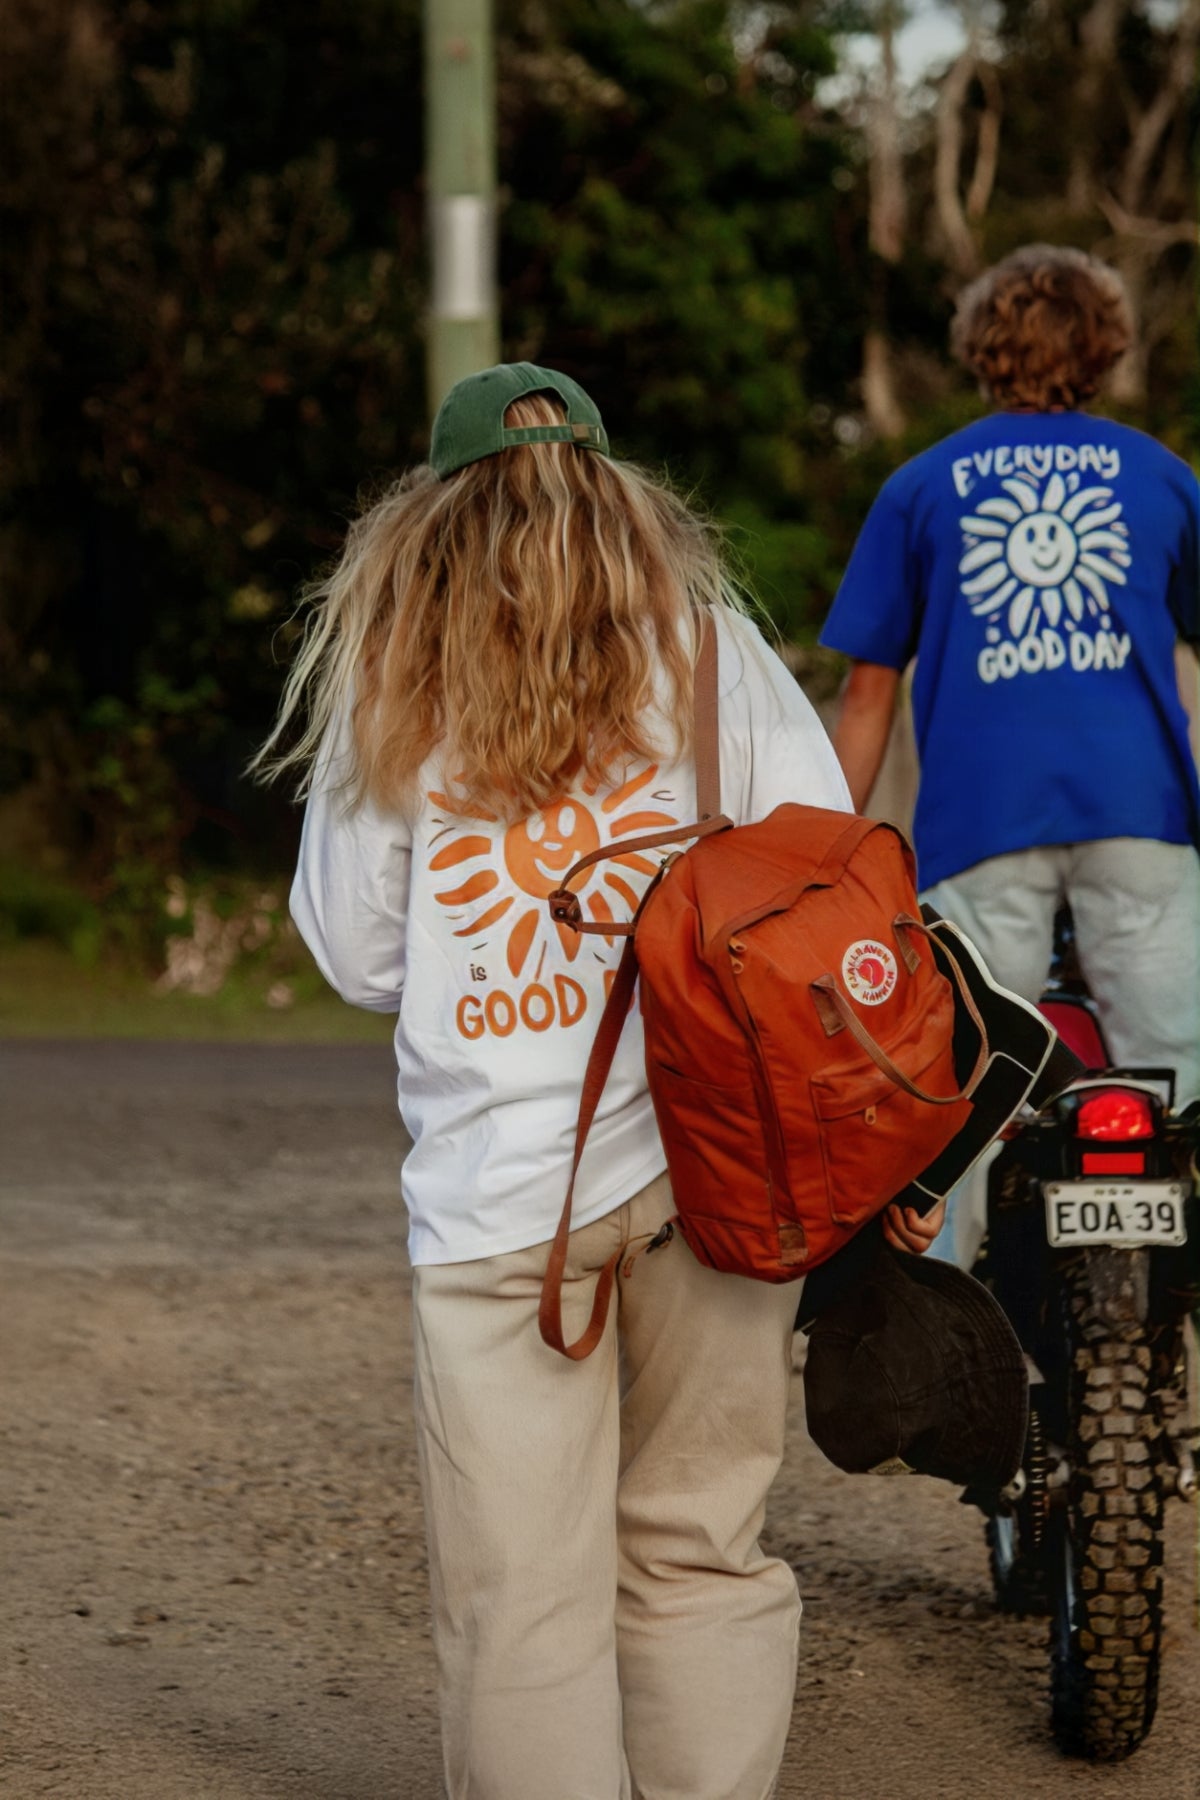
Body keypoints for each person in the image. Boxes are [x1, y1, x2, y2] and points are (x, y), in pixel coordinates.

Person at [253, 362, 940, 1798]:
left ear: (431, 522)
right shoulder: (710, 655)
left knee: (522, 1604)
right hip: (716, 1176)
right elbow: (825, 879)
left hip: (502, 1207)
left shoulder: (398, 678)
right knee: (697, 1548)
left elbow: (357, 954)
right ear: (619, 498)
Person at [820, 244, 1200, 1267]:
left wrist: (815, 854)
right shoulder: (1167, 478)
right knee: (1186, 1081)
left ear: (982, 350)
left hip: (982, 822)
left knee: (971, 1089)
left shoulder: (921, 486)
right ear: (1104, 348)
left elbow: (865, 696)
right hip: (1143, 815)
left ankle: (952, 1359)